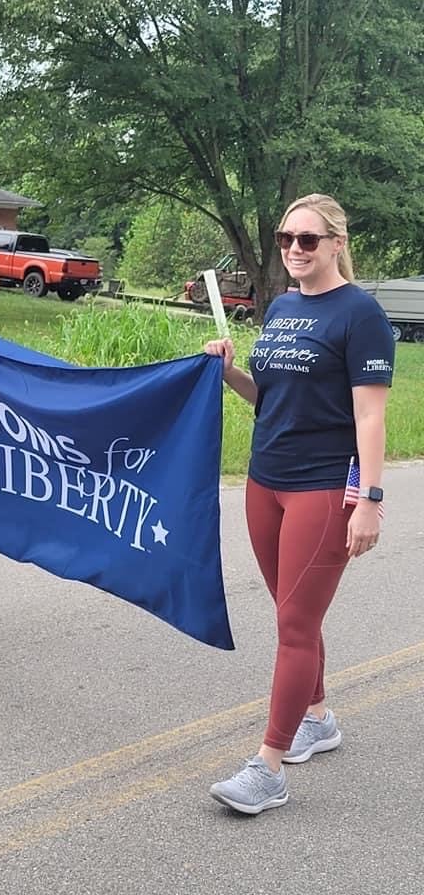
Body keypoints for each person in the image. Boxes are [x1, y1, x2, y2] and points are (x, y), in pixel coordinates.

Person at [205, 193, 394, 815]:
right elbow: (271, 397)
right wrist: (229, 371)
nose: (294, 249)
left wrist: (369, 498)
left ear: (336, 243)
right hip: (265, 481)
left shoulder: (360, 314)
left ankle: (269, 766)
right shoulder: (283, 306)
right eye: (287, 238)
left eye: (308, 240)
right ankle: (318, 717)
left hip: (322, 487)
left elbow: (369, 415)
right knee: (294, 615)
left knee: (293, 624)